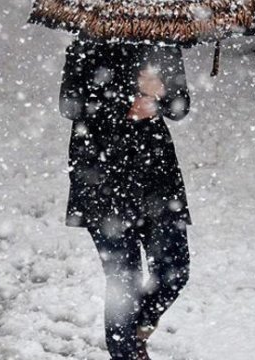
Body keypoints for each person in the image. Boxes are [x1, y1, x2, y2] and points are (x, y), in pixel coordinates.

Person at [59, 33, 192, 360]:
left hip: (156, 179)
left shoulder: (162, 39)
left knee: (175, 268)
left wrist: (161, 95)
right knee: (124, 282)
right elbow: (70, 104)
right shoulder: (88, 41)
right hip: (102, 178)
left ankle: (136, 329)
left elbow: (180, 106)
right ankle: (127, 352)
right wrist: (126, 100)